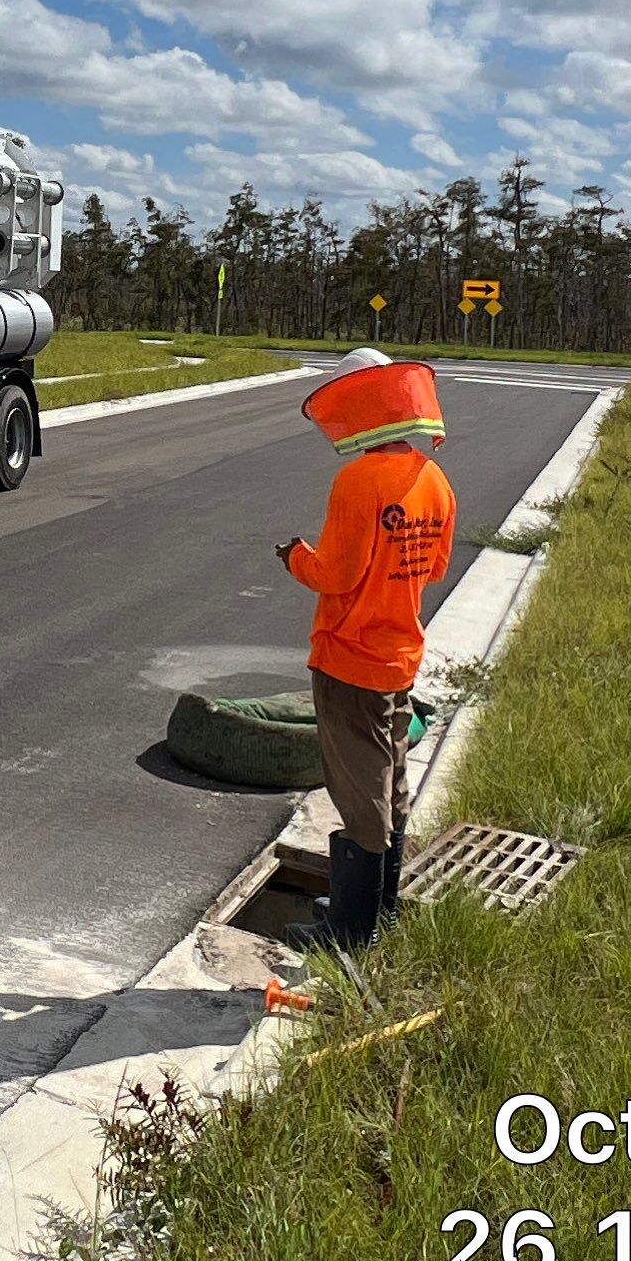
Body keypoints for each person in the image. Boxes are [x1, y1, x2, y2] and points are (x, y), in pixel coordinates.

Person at [277, 347, 456, 950]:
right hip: (398, 655)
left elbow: (337, 575)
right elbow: (434, 568)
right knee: (390, 783)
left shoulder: (358, 480)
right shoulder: (434, 480)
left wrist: (296, 557)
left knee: (360, 795)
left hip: (349, 660)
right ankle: (381, 910)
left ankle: (349, 933)